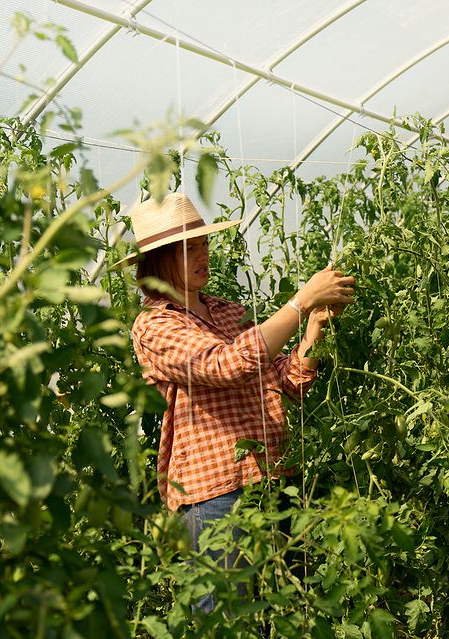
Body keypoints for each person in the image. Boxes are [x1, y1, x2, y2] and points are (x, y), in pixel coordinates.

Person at [122, 192, 354, 612]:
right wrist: (300, 303)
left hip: (273, 477)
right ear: (157, 261)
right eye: (188, 248)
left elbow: (286, 381)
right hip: (216, 496)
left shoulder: (229, 312)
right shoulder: (154, 324)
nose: (202, 254)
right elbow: (225, 364)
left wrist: (315, 327)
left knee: (287, 621)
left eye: (203, 243)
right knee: (229, 635)